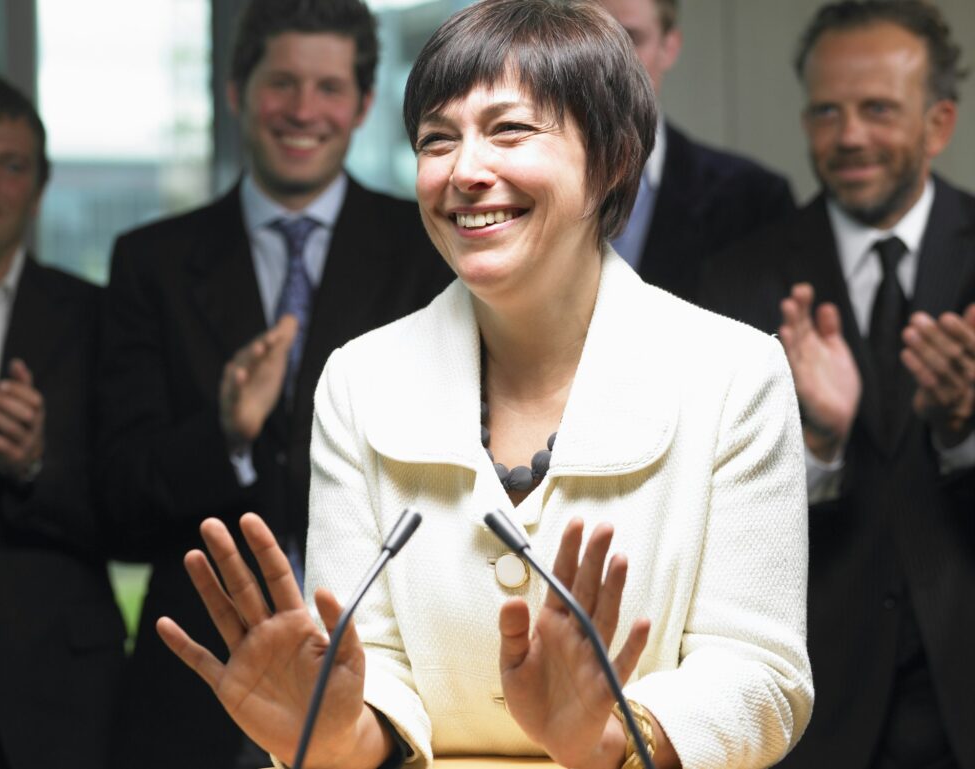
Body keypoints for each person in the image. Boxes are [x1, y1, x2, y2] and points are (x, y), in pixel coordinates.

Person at [158, 1, 814, 768]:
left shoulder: (734, 373)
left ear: (613, 156)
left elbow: (762, 674)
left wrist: (606, 738)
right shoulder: (360, 380)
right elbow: (376, 672)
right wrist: (330, 732)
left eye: (509, 130)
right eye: (437, 140)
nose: (465, 171)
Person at [98, 0, 453, 767]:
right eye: (281, 82)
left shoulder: (430, 251)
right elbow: (117, 506)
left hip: (392, 684)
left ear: (363, 104)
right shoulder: (148, 262)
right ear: (236, 90)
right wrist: (224, 433)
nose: (302, 110)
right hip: (190, 693)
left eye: (329, 87)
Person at [699, 2, 975, 768]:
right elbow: (715, 527)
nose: (849, 136)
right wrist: (814, 447)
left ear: (939, 121)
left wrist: (965, 430)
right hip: (815, 710)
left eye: (878, 109)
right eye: (827, 111)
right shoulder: (740, 279)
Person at [0, 75, 124, 769]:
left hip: (71, 699)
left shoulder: (97, 316)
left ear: (38, 187)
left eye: (10, 164)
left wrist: (34, 464)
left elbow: (132, 512)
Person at [595, 0, 795, 303]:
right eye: (591, 37)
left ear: (670, 47)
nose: (607, 61)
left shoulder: (754, 198)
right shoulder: (516, 181)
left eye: (631, 38)